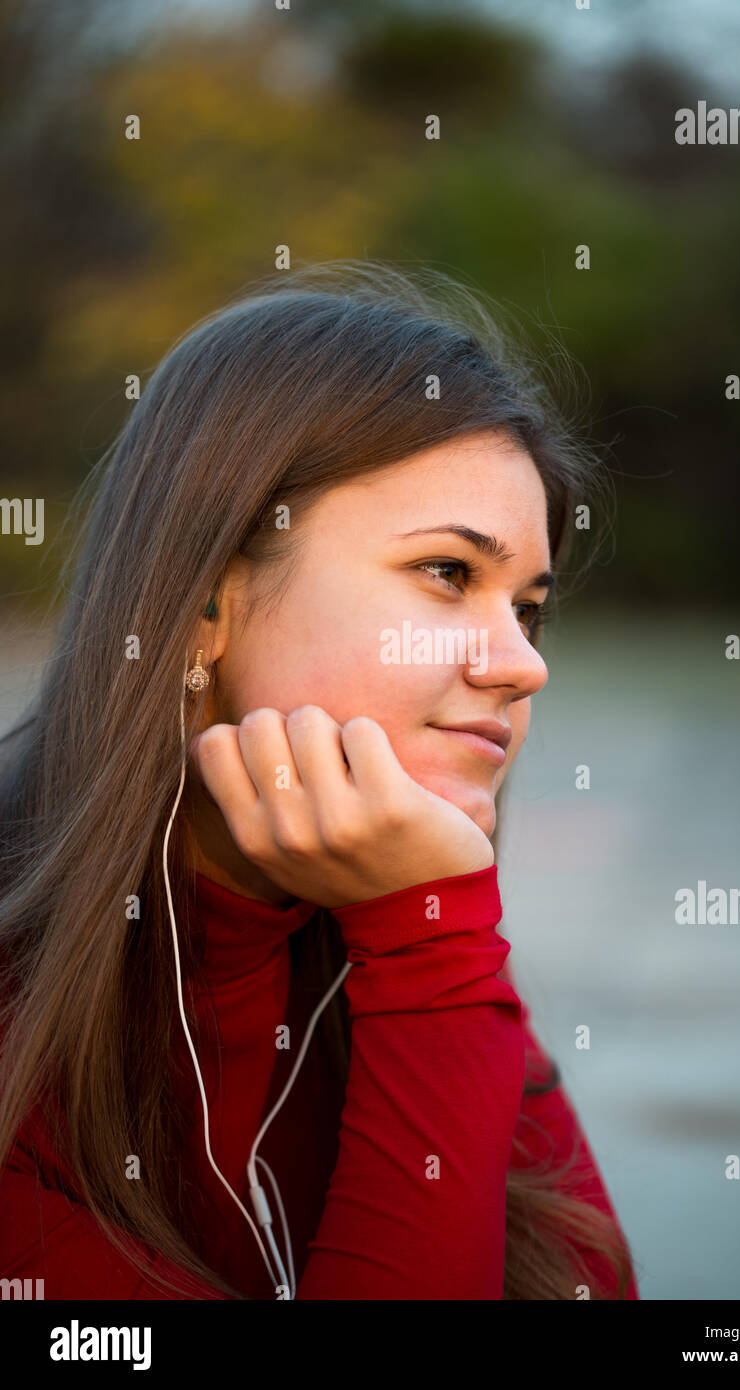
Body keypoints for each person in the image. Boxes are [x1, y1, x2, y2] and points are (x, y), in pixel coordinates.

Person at [0, 260, 639, 1300]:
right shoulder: (25, 1029)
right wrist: (434, 944)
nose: (523, 664)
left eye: (529, 606)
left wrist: (431, 942)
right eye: (447, 574)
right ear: (204, 604)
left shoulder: (415, 934)